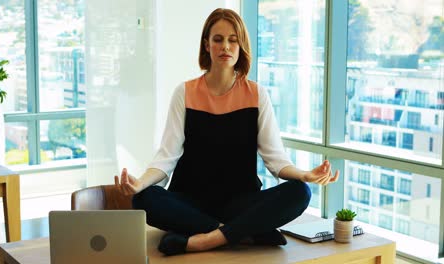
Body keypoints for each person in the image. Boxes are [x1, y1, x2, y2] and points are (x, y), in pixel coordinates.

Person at [114, 8, 339, 256]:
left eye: (233, 40)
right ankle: (241, 234)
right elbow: (167, 156)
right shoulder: (185, 93)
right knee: (144, 199)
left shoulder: (256, 94)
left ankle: (205, 239)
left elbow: (276, 160)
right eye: (218, 39)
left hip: (240, 204)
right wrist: (140, 183)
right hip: (191, 203)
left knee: (299, 192)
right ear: (207, 45)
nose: (226, 47)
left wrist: (305, 175)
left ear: (241, 46)